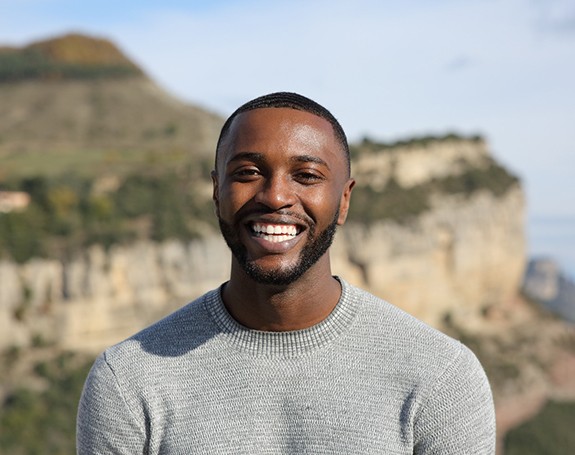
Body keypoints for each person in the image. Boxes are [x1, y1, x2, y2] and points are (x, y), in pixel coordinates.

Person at [77, 92, 496, 454]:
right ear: (216, 190)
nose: (276, 195)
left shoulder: (440, 377)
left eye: (307, 176)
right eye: (247, 173)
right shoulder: (130, 380)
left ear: (344, 199)